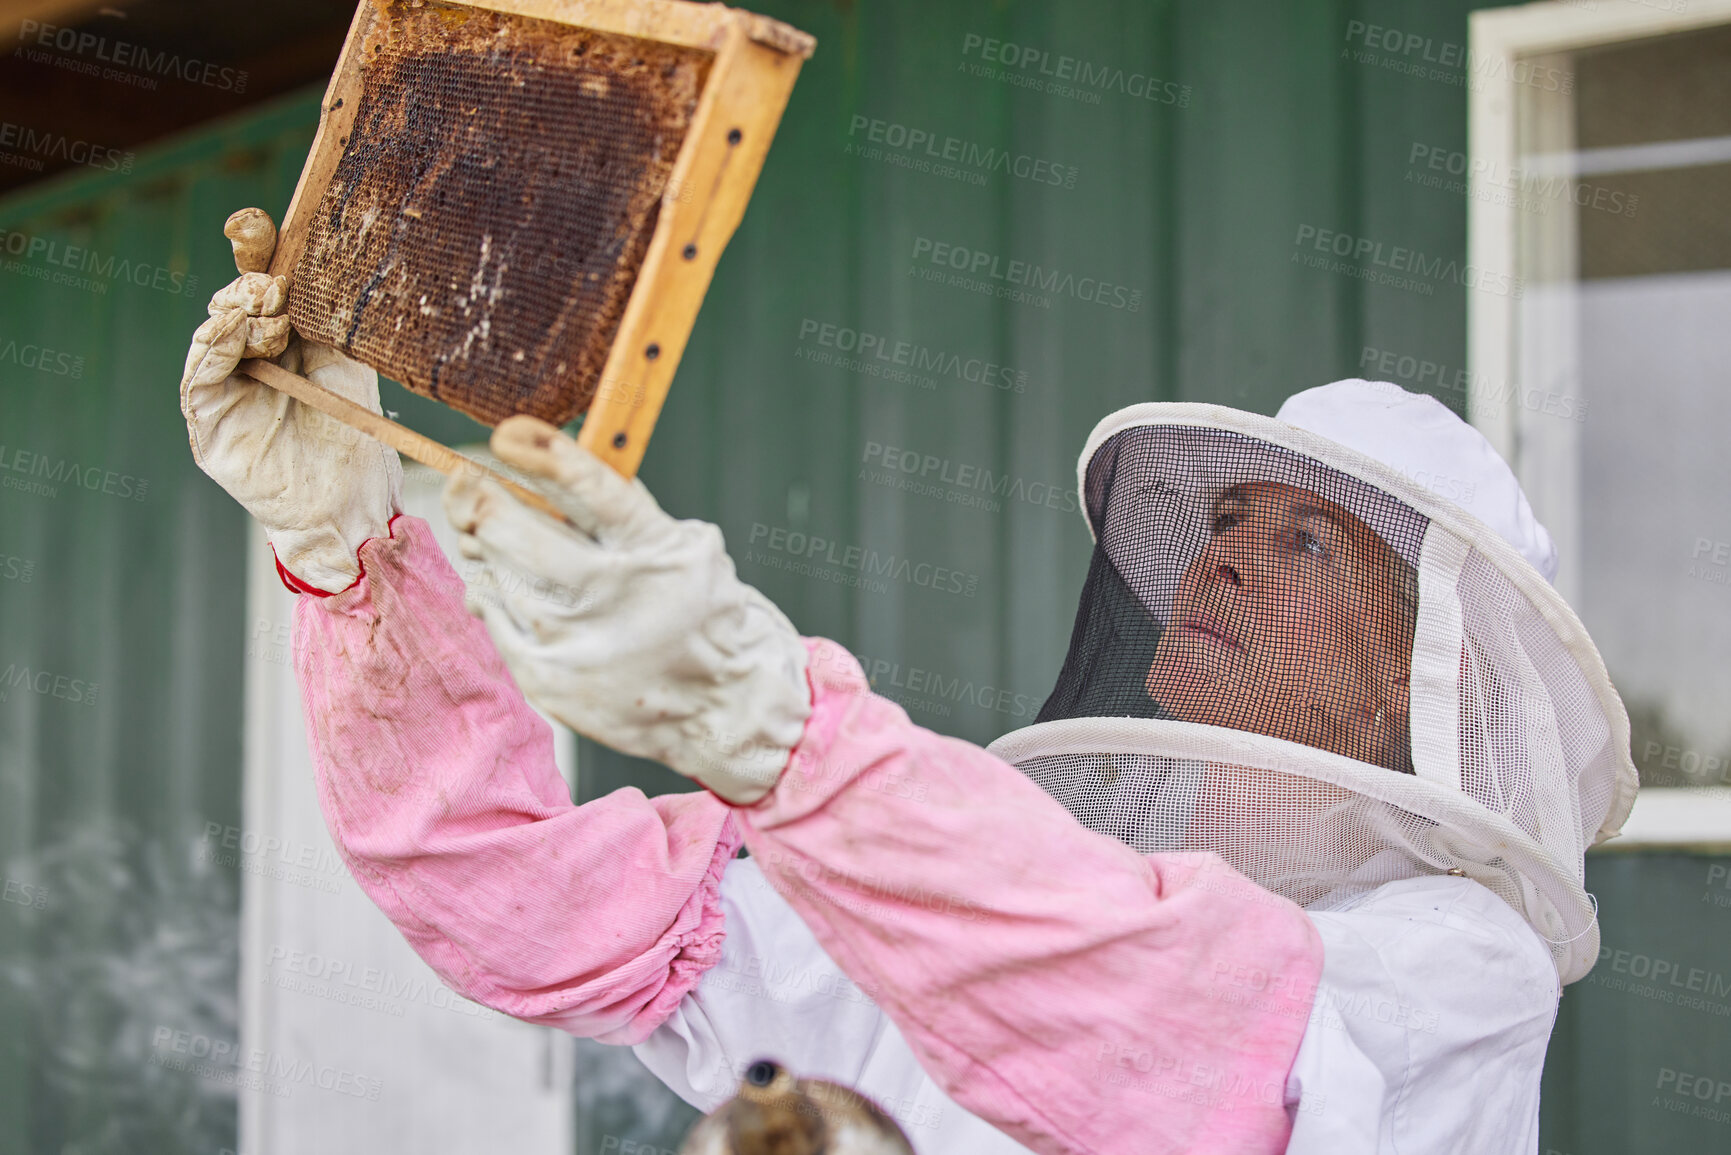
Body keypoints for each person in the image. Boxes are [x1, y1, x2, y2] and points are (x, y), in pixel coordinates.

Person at [182, 212, 1637, 1154]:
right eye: (1223, 522)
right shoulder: (984, 884)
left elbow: (1171, 1031)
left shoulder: (1458, 965)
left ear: (1425, 668)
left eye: (1308, 537)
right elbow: (516, 892)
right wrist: (348, 550)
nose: (1226, 564)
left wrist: (773, 729)